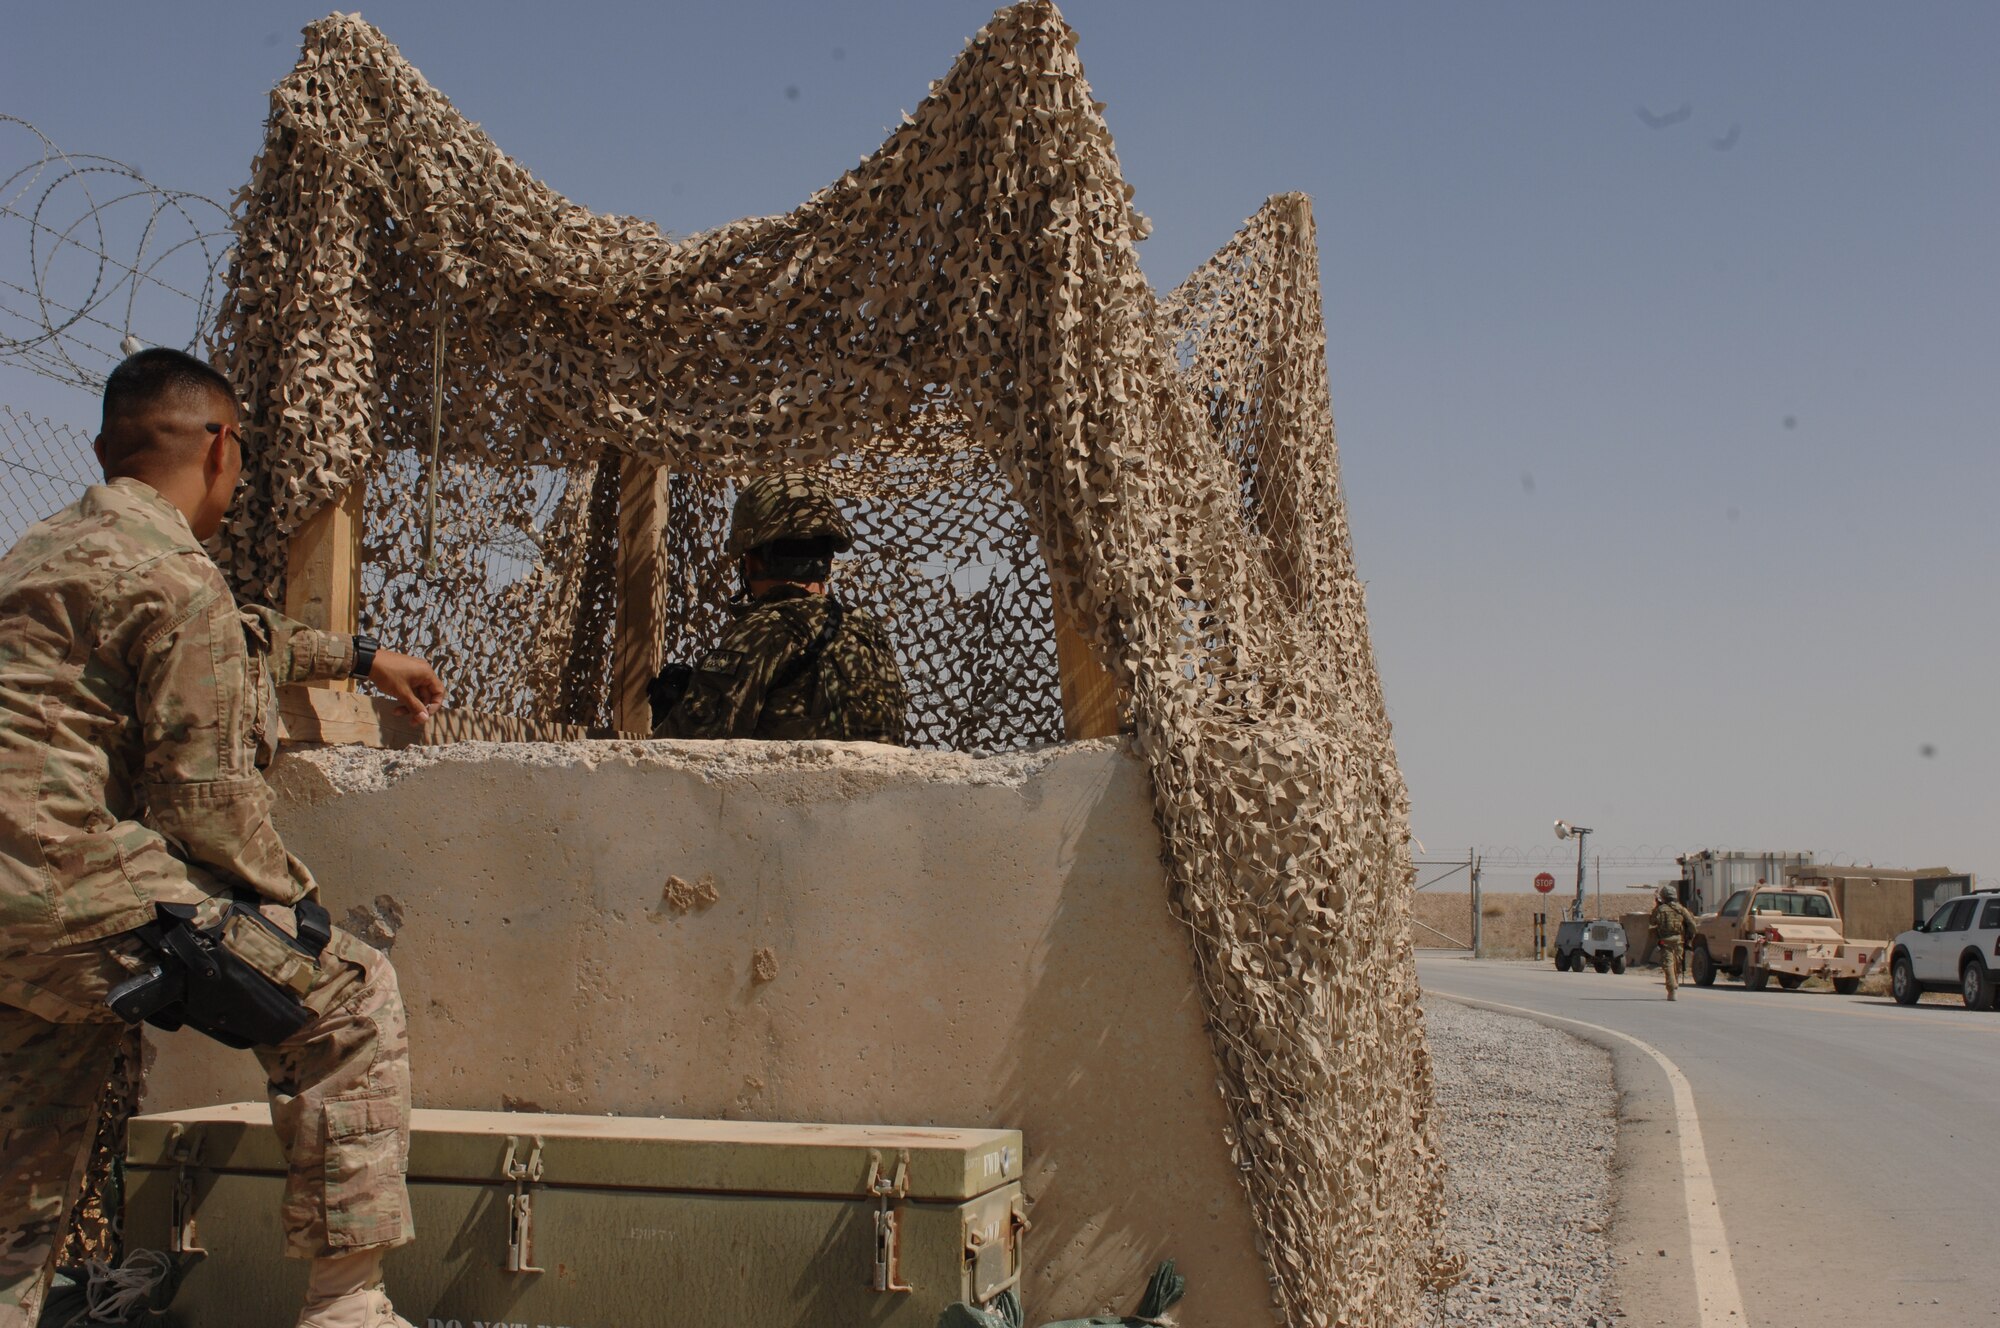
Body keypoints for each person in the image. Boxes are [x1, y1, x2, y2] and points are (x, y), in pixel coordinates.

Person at [0, 349, 445, 1328]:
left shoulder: (37, 555)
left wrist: (360, 654)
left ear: (105, 450)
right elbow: (205, 805)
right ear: (222, 447)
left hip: (16, 924)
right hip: (77, 889)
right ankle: (347, 1303)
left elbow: (235, 637)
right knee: (348, 996)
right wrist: (292, 907)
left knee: (22, 1168)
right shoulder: (177, 575)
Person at [653, 473, 908, 745]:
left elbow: (689, 744)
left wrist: (672, 714)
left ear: (750, 562)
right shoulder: (869, 633)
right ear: (828, 559)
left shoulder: (764, 630)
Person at [1651, 885, 1700, 1001]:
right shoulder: (1681, 909)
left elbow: (1652, 923)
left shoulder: (1660, 909)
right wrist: (1691, 937)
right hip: (1679, 940)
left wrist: (1657, 906)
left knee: (1668, 964)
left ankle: (1672, 989)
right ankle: (1674, 985)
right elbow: (1693, 925)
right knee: (1677, 964)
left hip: (1665, 941)